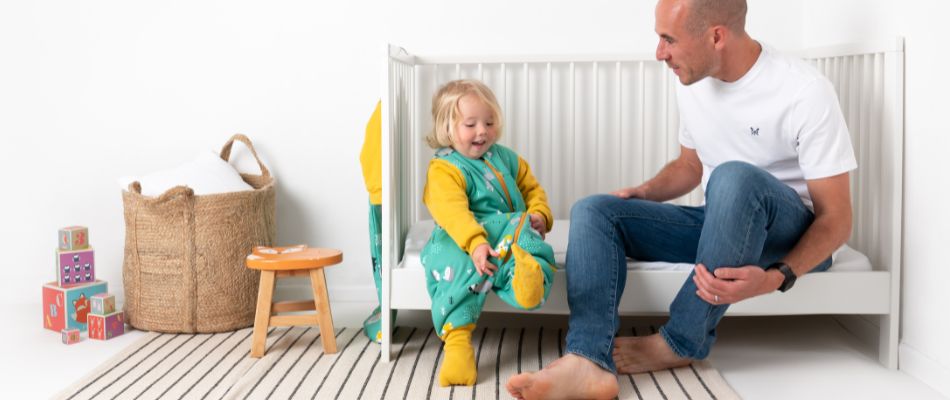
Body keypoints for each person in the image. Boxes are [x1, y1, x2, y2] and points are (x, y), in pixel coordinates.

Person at [507, 0, 856, 398]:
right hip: (723, 226)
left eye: (668, 39)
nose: (659, 53)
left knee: (732, 176)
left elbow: (837, 220)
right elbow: (689, 166)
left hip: (790, 238)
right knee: (594, 209)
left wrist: (776, 277)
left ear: (716, 36)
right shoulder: (691, 77)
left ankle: (681, 340)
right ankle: (588, 359)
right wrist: (642, 193)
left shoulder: (803, 90)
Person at [421, 79, 556, 386]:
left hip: (507, 230)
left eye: (489, 122)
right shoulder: (444, 168)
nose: (482, 131)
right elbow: (453, 213)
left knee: (527, 239)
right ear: (447, 127)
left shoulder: (505, 157)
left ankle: (527, 283)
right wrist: (475, 243)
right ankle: (457, 344)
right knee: (454, 264)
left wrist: (539, 214)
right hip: (464, 234)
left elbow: (532, 189)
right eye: (470, 124)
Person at [358, 100, 399, 343]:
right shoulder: (385, 106)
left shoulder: (386, 106)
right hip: (380, 193)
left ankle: (386, 312)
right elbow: (371, 154)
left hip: (380, 192)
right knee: (382, 254)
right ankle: (386, 310)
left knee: (381, 253)